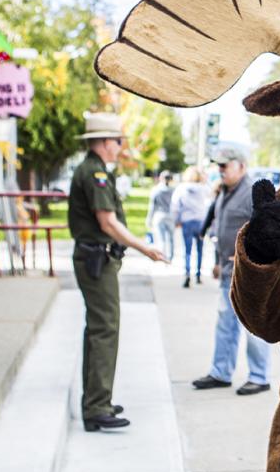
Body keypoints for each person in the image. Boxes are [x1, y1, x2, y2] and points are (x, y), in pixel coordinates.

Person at [68, 113, 167, 432]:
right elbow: (107, 223)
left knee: (98, 328)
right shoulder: (95, 173)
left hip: (96, 259)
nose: (120, 147)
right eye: (118, 141)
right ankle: (97, 406)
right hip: (97, 260)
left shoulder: (95, 171)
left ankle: (97, 400)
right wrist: (145, 248)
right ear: (104, 142)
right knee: (104, 329)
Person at [192, 147, 271, 396]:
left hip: (250, 275)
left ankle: (259, 377)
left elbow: (270, 231)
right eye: (219, 166)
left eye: (226, 166)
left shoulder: (253, 193)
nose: (221, 170)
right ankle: (220, 372)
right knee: (225, 325)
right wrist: (218, 261)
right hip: (228, 272)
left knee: (254, 328)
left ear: (242, 167)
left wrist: (245, 253)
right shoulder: (224, 192)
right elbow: (222, 230)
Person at [171, 166, 210, 288]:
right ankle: (198, 274)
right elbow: (209, 205)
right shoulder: (205, 188)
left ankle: (187, 273)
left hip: (187, 221)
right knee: (200, 250)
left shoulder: (181, 188)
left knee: (187, 250)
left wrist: (177, 220)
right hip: (201, 222)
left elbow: (175, 206)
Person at [146, 171, 176, 261]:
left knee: (161, 239)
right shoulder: (173, 190)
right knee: (171, 238)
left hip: (159, 215)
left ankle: (162, 257)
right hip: (170, 216)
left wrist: (149, 218)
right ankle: (170, 257)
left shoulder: (156, 190)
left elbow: (152, 206)